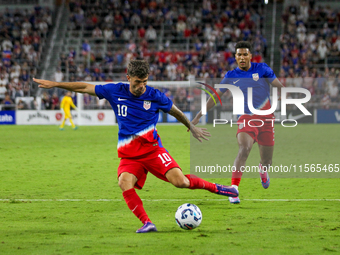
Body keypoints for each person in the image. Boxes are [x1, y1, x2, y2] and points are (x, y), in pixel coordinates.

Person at [33, 59, 238, 233]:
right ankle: (147, 223)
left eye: (145, 82)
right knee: (124, 182)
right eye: (138, 82)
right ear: (128, 77)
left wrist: (191, 126)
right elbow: (84, 87)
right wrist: (55, 85)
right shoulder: (114, 91)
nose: (142, 86)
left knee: (181, 182)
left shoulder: (154, 95)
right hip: (130, 156)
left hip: (153, 151)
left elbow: (174, 110)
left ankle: (222, 189)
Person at [192, 41, 284, 204]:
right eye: (239, 55)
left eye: (244, 54)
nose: (242, 57)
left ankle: (262, 169)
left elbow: (278, 85)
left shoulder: (262, 69)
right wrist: (200, 114)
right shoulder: (231, 76)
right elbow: (215, 96)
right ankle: (233, 190)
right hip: (246, 118)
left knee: (267, 161)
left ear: (250, 56)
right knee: (244, 148)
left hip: (266, 119)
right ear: (235, 57)